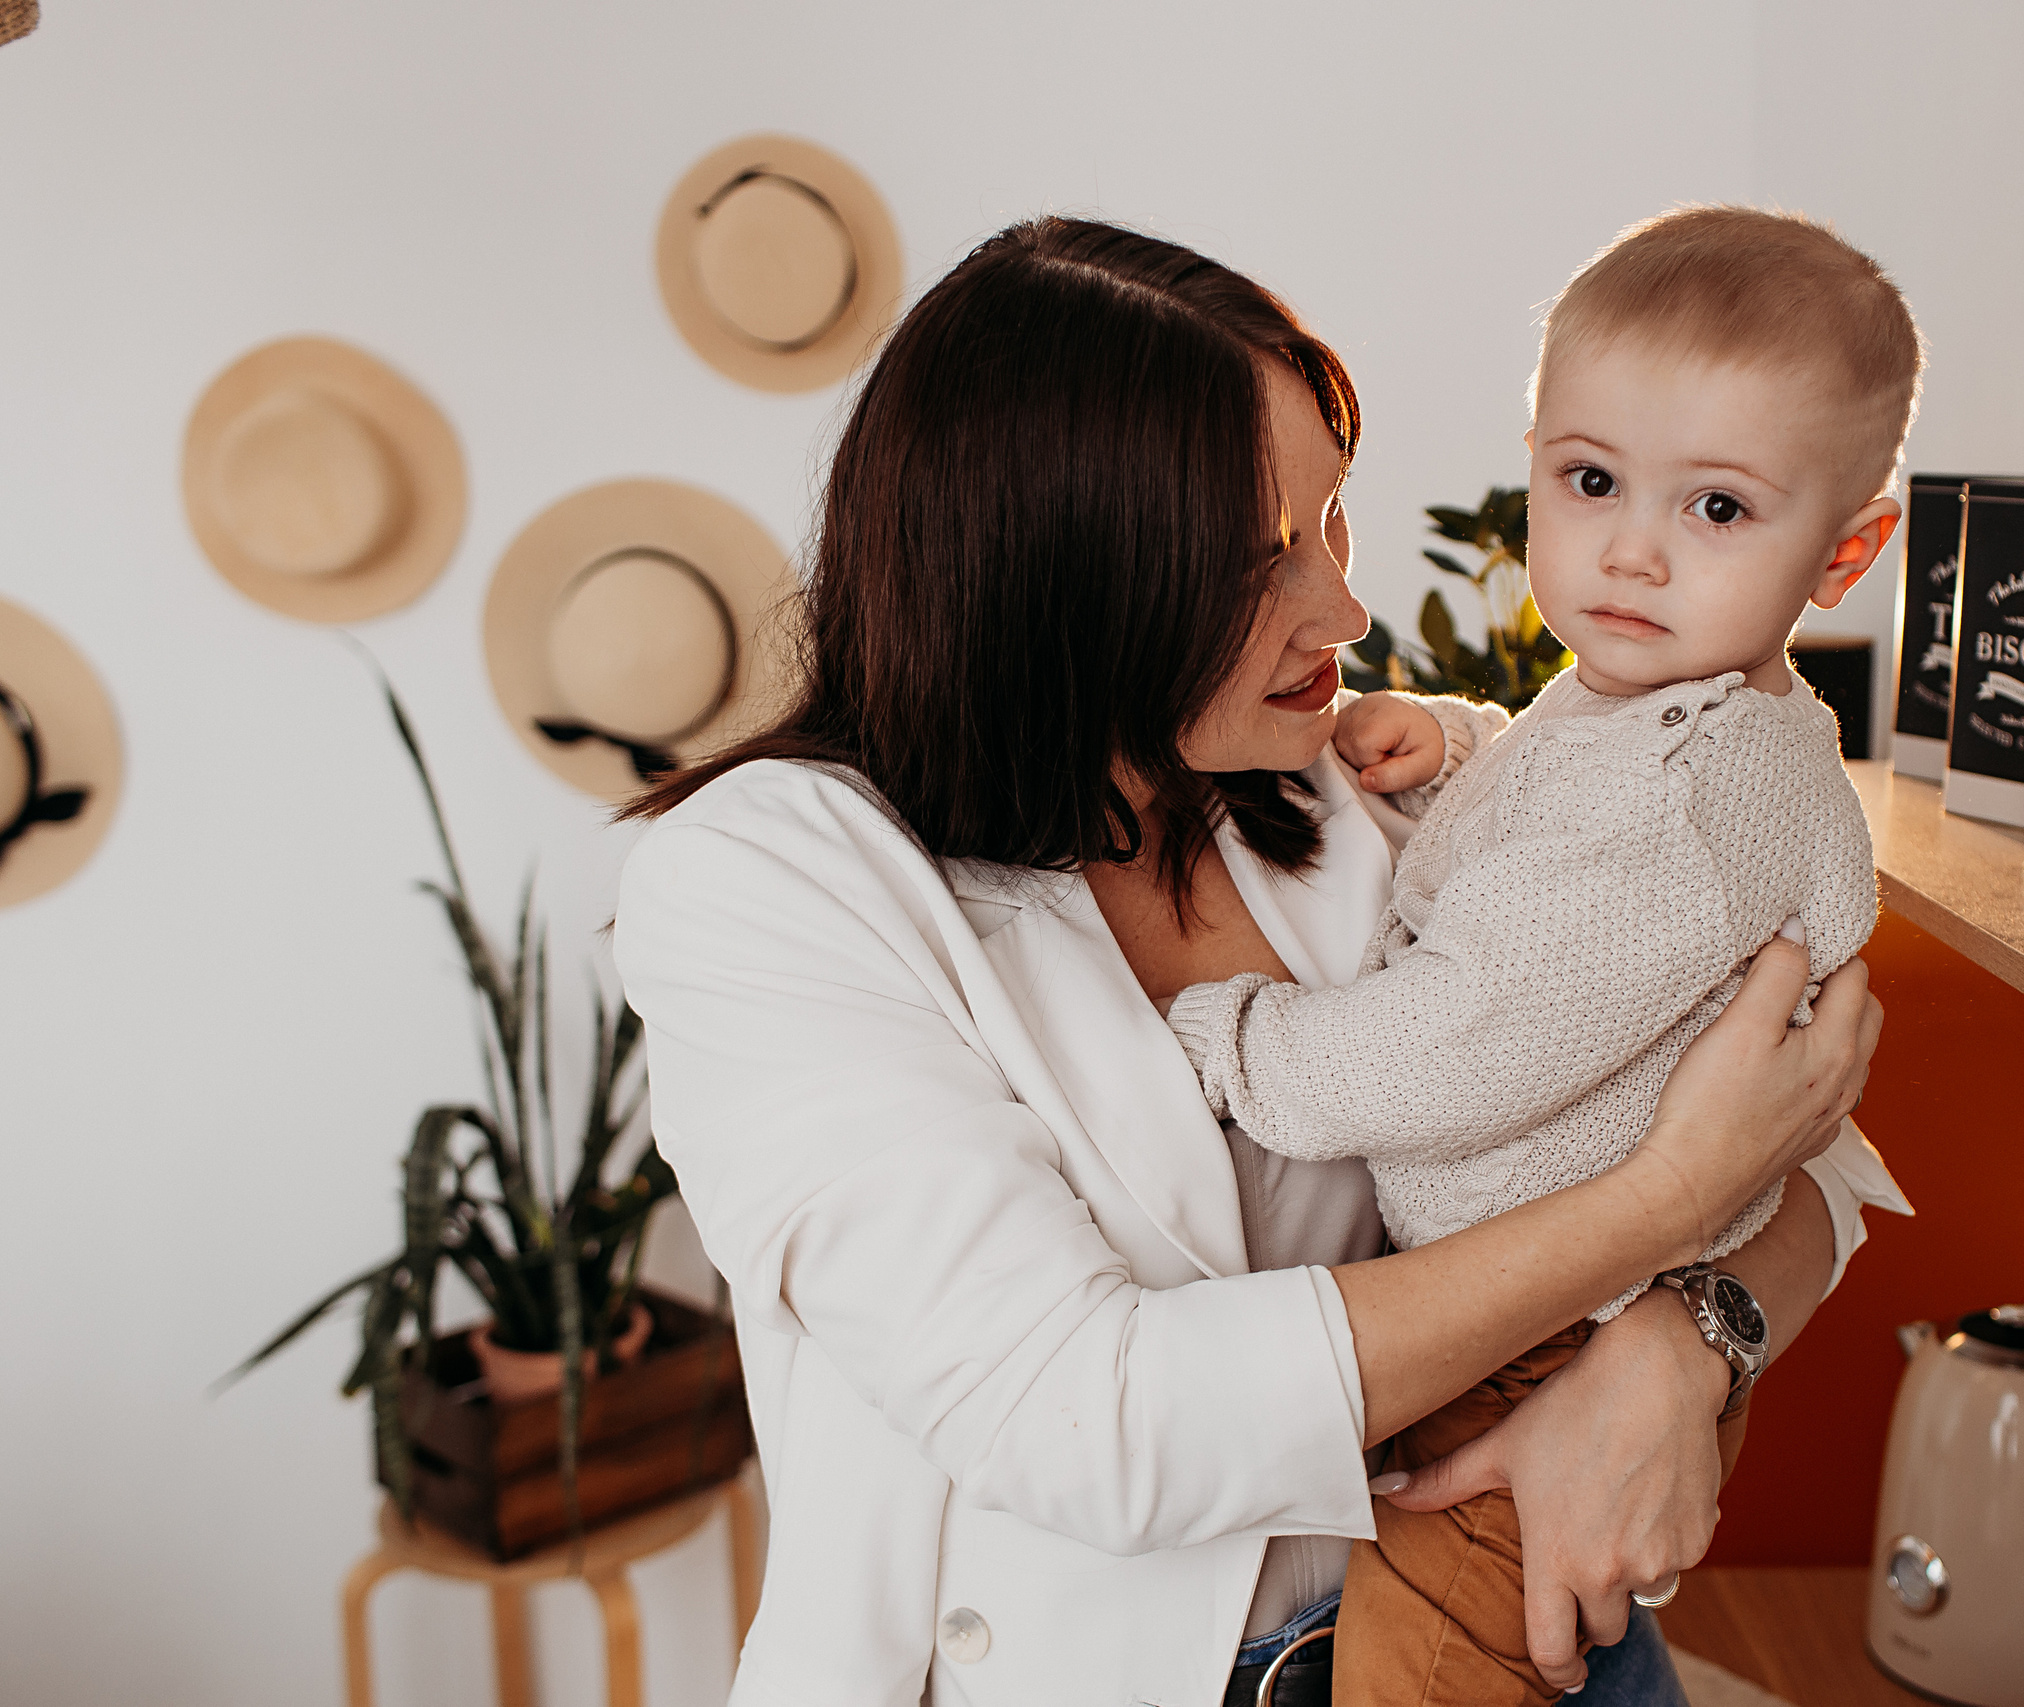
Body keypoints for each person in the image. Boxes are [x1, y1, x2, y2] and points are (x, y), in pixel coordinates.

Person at [611, 215, 1898, 1707]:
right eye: (1254, 566)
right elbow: (1090, 1422)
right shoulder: (770, 879)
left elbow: (1808, 1140)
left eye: (1333, 520)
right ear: (1057, 585)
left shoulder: (1359, 777)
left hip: (1512, 1629)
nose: (1343, 613)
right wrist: (1660, 1212)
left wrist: (1689, 1343)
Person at [1165, 205, 1923, 1706]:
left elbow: (1470, 1033)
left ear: (1847, 553)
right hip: (1545, 1314)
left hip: (1552, 1353)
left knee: (1429, 1674)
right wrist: (1458, 744)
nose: (1631, 549)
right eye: (1589, 481)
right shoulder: (1662, 721)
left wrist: (1227, 1042)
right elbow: (1567, 820)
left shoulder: (1691, 798)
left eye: (1717, 510)